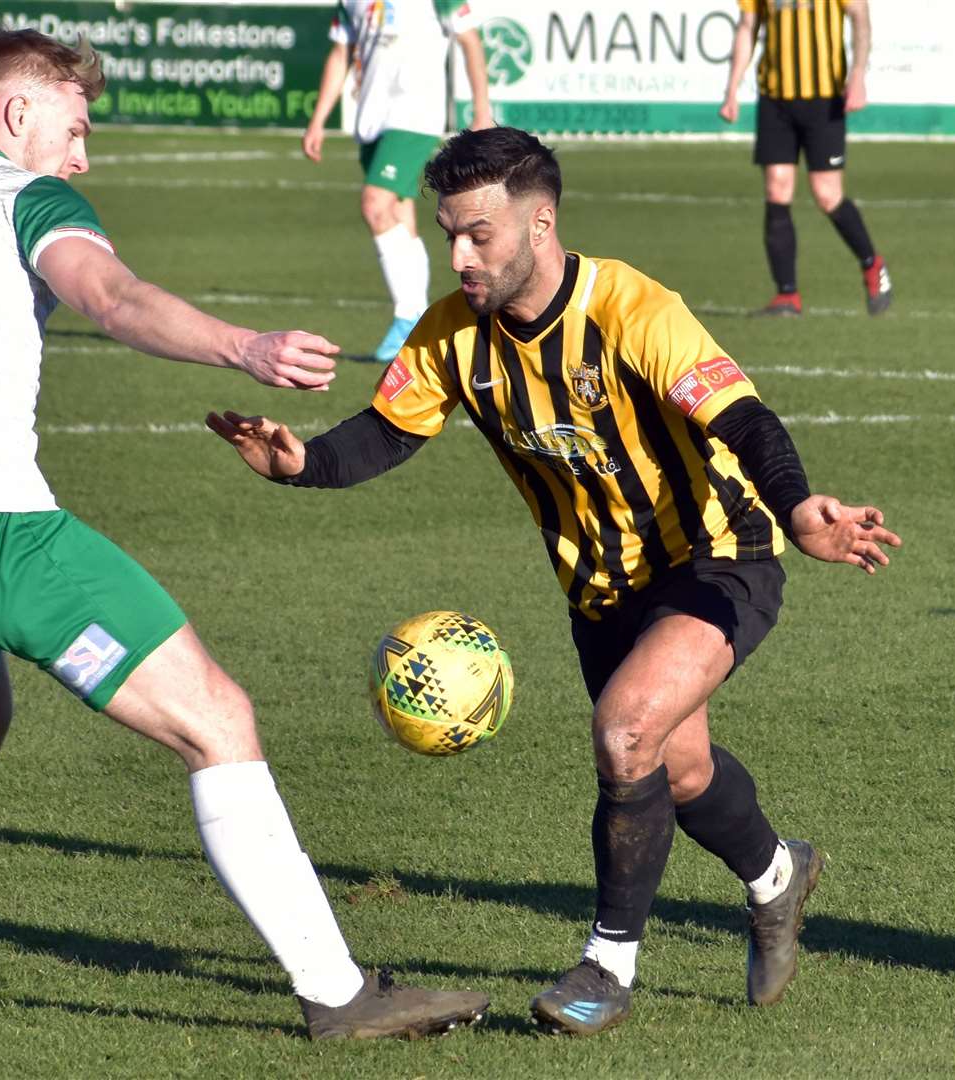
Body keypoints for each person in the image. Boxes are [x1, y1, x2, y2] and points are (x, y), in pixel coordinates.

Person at [0, 27, 489, 1041]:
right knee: (218, 720)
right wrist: (247, 346)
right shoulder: (27, 199)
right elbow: (113, 297)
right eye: (75, 125)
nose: (82, 154)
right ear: (18, 112)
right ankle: (337, 995)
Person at [208, 127, 902, 1035]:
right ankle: (778, 874)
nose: (457, 254)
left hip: (716, 555)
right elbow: (386, 432)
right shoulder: (455, 331)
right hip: (600, 590)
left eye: (477, 235)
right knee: (677, 767)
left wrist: (800, 504)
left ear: (539, 226)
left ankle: (605, 969)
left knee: (624, 733)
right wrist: (302, 463)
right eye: (449, 232)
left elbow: (745, 419)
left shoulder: (632, 309)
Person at [302, 0, 493, 361]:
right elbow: (342, 53)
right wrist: (318, 120)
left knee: (375, 204)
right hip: (372, 120)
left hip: (415, 115)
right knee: (399, 216)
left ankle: (408, 316)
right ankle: (419, 322)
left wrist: (482, 109)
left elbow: (470, 41)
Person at [720, 0, 893, 316]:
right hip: (775, 98)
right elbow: (747, 26)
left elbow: (860, 16)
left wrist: (858, 74)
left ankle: (872, 264)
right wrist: (732, 89)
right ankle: (787, 294)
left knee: (827, 195)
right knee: (777, 189)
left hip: (824, 98)